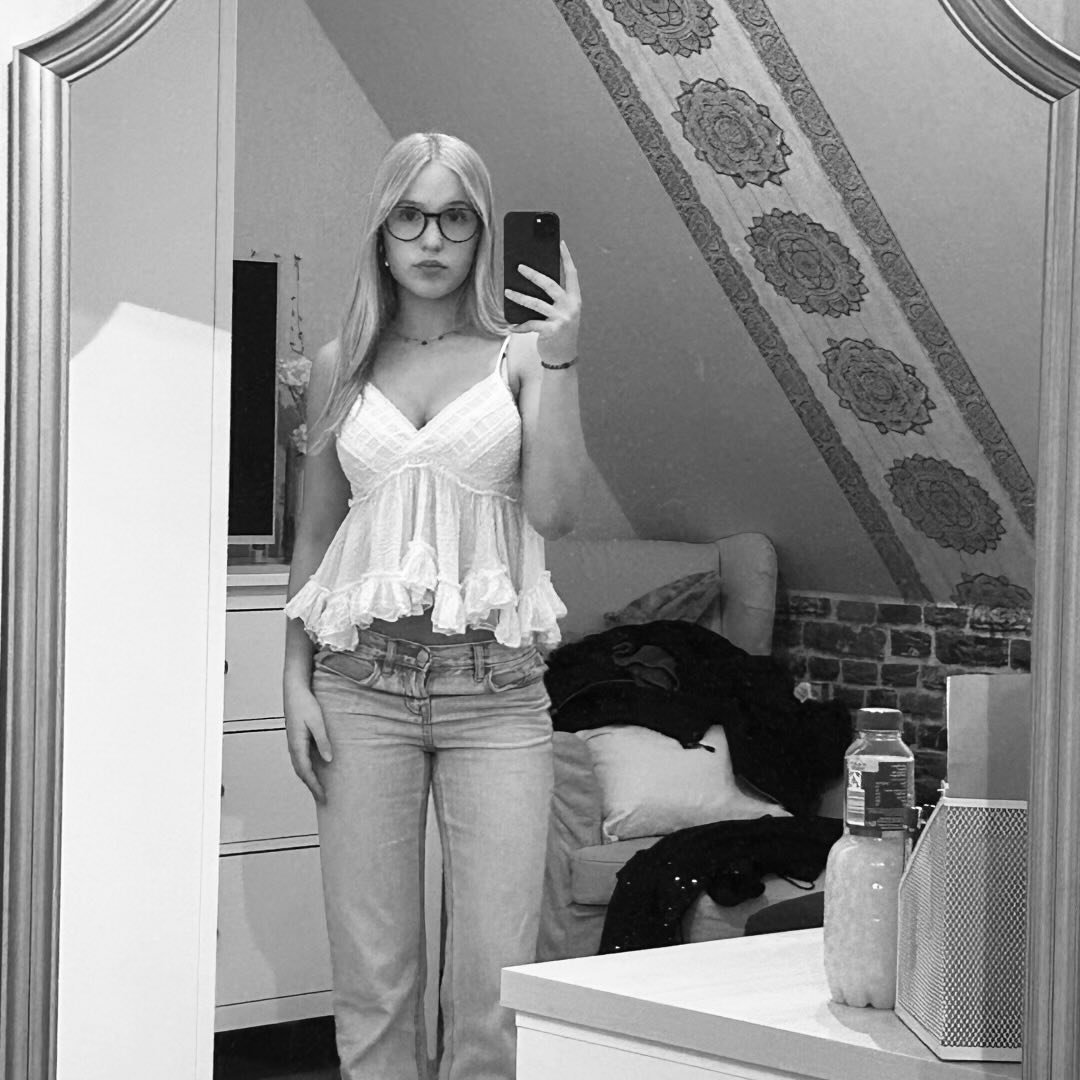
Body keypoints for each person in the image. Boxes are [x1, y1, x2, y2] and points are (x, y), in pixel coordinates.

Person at [281, 131, 587, 1080]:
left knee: (494, 992)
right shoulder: (339, 364)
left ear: (482, 233)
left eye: (456, 217)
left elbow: (556, 513)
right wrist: (292, 681)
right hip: (358, 688)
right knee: (373, 986)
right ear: (382, 231)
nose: (431, 239)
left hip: (497, 696)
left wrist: (565, 359)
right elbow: (315, 537)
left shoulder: (523, 356)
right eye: (410, 215)